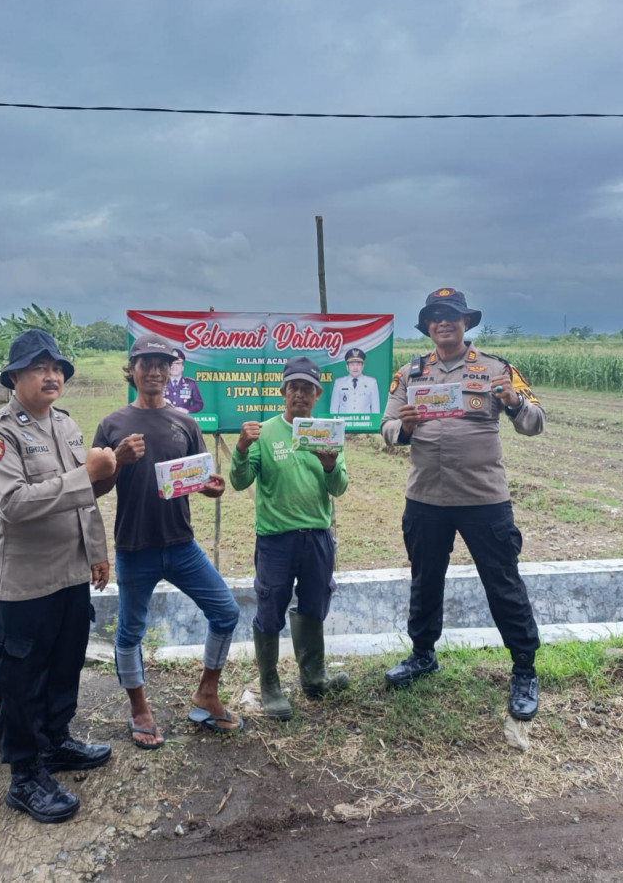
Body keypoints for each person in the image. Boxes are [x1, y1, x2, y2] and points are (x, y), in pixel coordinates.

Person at [0, 330, 115, 824]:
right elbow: (12, 505)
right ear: (14, 378)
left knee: (64, 666)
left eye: (57, 369)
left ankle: (56, 743)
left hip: (70, 575)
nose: (52, 376)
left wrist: (96, 553)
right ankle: (25, 776)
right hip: (24, 583)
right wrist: (85, 476)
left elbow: (84, 500)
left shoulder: (66, 426)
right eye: (39, 368)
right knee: (20, 678)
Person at [381, 288, 545, 721]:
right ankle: (422, 655)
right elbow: (386, 426)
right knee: (425, 580)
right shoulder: (408, 373)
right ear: (428, 326)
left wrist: (513, 401)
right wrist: (405, 428)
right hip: (426, 499)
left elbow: (536, 423)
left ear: (466, 323)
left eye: (451, 315)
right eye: (435, 316)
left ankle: (524, 668)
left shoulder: (497, 369)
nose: (443, 322)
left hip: (483, 500)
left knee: (503, 582)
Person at [93, 334, 241, 746]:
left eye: (162, 363)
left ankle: (207, 693)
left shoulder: (185, 423)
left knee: (226, 612)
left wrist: (213, 488)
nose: (154, 371)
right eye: (146, 363)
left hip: (181, 545)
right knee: (130, 633)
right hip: (134, 548)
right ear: (133, 369)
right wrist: (116, 462)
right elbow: (93, 490)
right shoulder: (112, 425)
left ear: (171, 369)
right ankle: (139, 709)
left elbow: (203, 481)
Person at [230, 356, 349, 721]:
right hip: (276, 540)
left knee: (314, 604)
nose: (300, 394)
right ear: (283, 392)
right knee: (270, 609)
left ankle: (313, 677)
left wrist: (330, 465)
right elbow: (240, 481)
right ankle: (270, 686)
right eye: (293, 387)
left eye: (307, 388)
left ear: (317, 394)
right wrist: (240, 449)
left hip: (316, 537)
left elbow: (339, 487)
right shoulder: (264, 433)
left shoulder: (327, 433)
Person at [329, 347, 380, 414]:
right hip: (344, 423)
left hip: (364, 423)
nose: (355, 368)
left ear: (363, 366)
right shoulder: (339, 383)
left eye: (358, 364)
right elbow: (333, 409)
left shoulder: (371, 382)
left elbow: (376, 410)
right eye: (352, 364)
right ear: (347, 366)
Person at [162, 348, 204, 414]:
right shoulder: (160, 382)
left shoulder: (191, 383)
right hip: (164, 419)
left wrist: (187, 411)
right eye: (171, 364)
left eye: (177, 364)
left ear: (182, 367)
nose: (174, 367)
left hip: (184, 420)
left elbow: (199, 404)